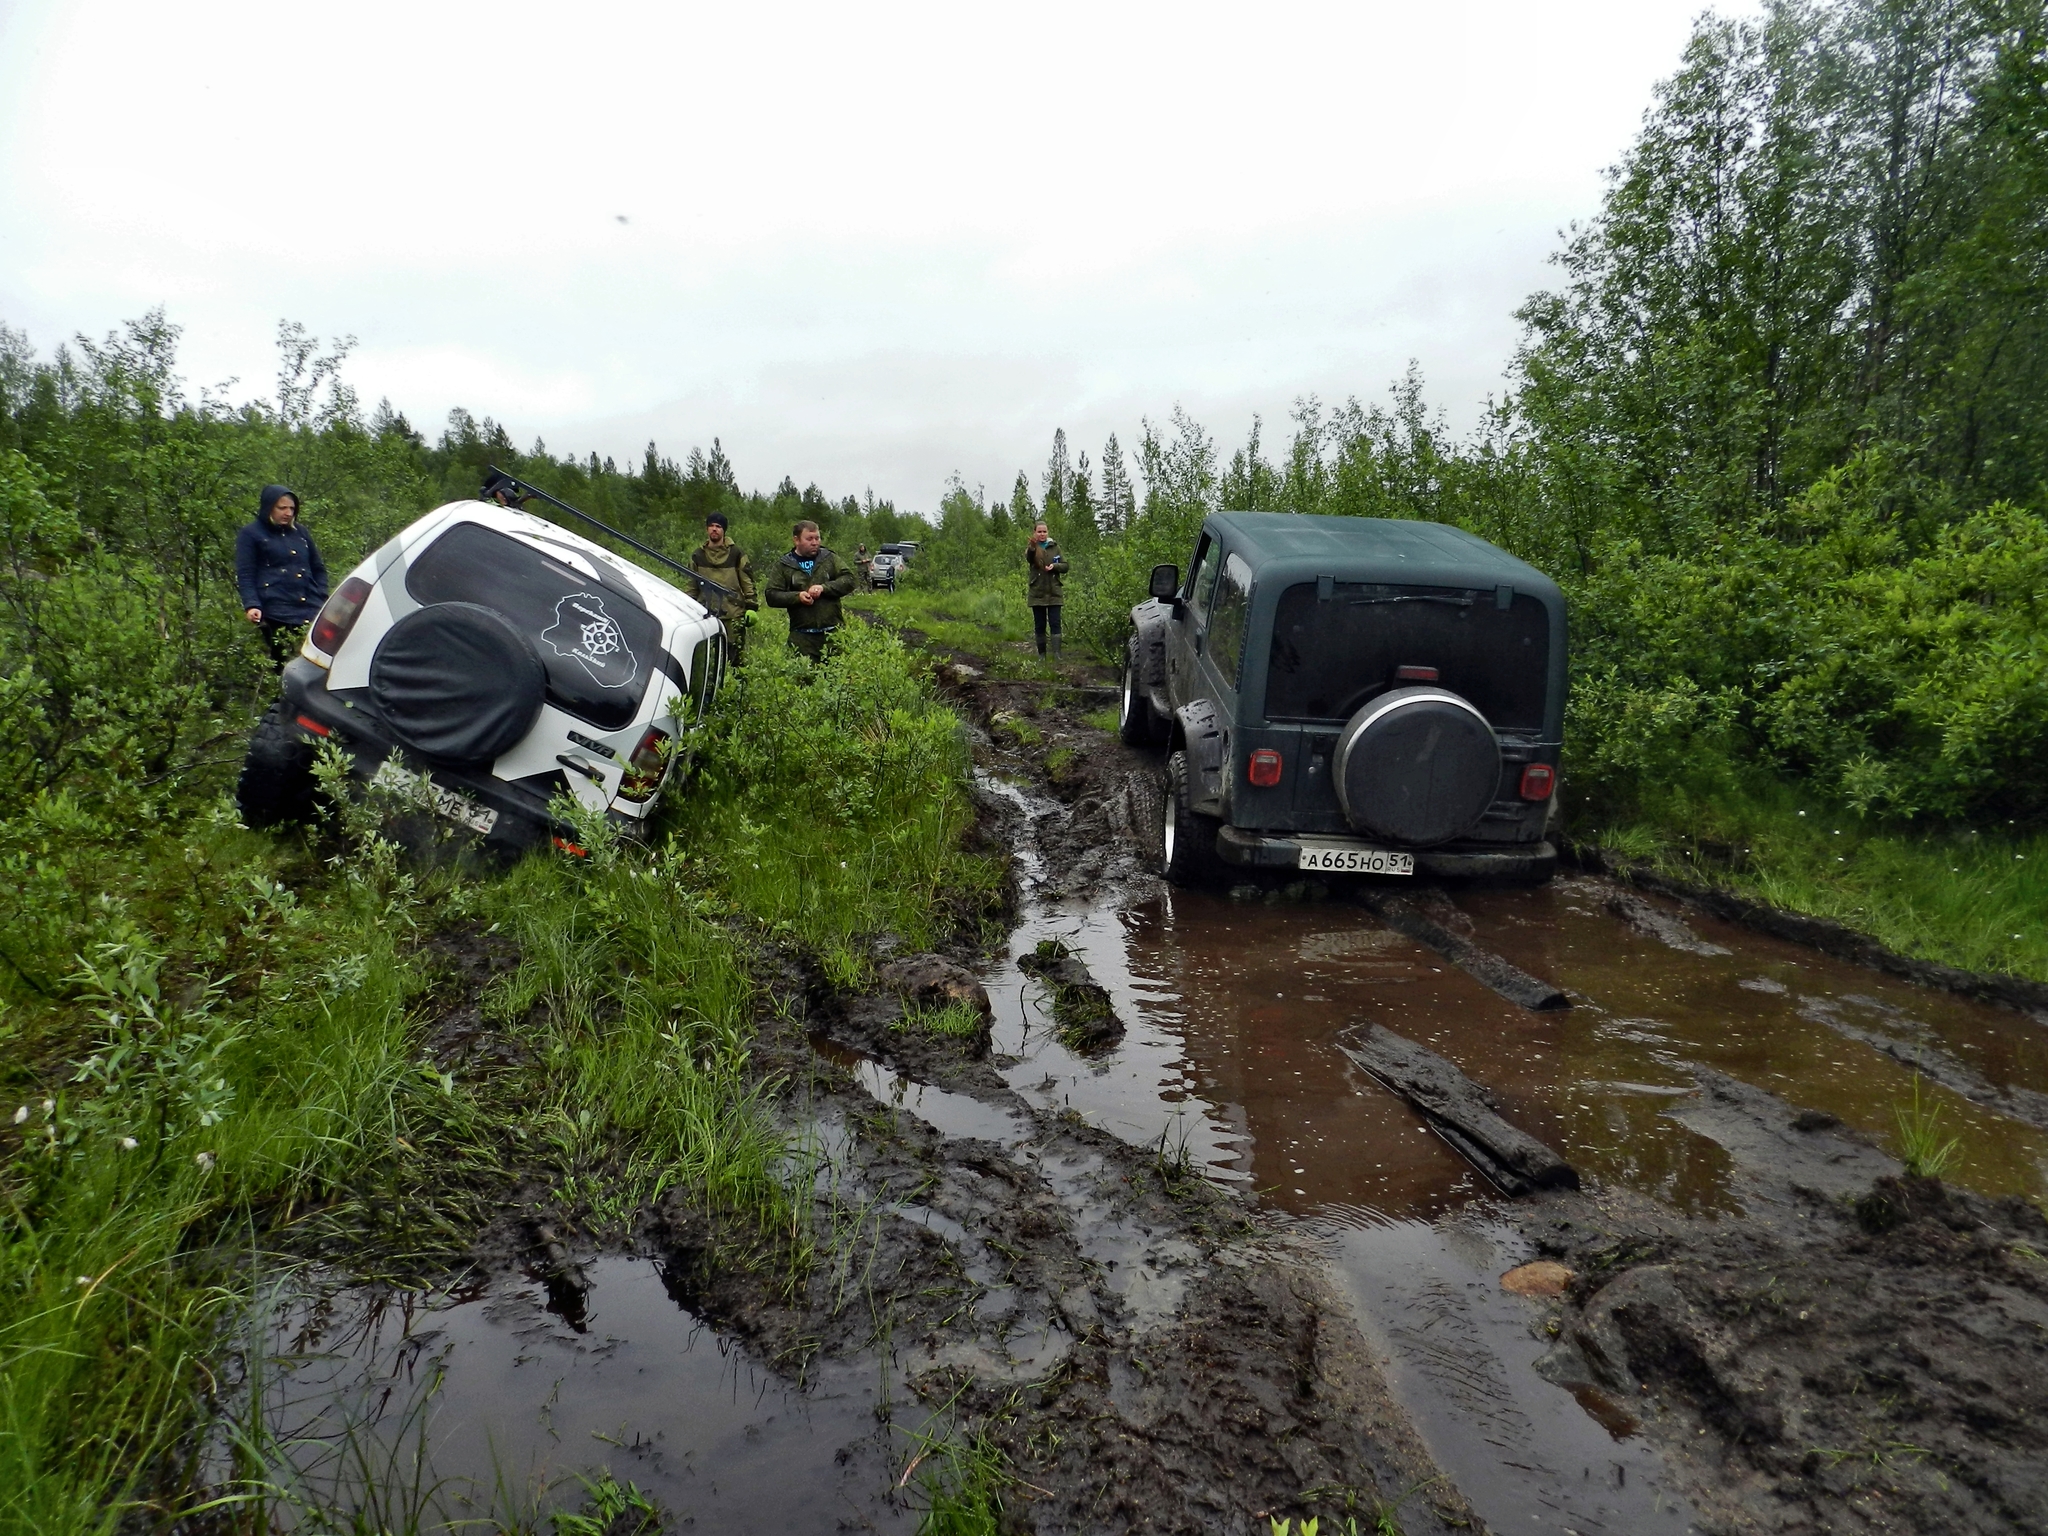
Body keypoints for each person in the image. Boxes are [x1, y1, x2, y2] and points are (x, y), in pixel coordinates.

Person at [235, 484, 328, 666]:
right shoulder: (251, 534)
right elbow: (246, 573)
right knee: (281, 664)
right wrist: (252, 605)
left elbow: (318, 568)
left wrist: (323, 594)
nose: (288, 513)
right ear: (269, 507)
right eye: (282, 508)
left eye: (292, 508)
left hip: (310, 607)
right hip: (275, 610)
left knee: (314, 662)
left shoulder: (300, 533)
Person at [763, 519, 857, 661]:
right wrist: (797, 597)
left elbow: (850, 579)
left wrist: (824, 588)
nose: (815, 542)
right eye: (809, 539)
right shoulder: (784, 565)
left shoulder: (829, 558)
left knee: (837, 679)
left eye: (817, 538)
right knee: (803, 681)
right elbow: (771, 595)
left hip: (833, 634)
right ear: (796, 540)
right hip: (801, 638)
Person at [688, 512, 758, 658]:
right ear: (707, 529)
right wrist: (687, 607)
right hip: (705, 614)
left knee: (734, 658)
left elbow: (747, 581)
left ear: (724, 530)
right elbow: (691, 585)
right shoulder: (698, 555)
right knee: (708, 658)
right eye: (711, 526)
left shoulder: (736, 554)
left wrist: (751, 606)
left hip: (733, 615)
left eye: (718, 526)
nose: (714, 529)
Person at [1025, 520, 1068, 659]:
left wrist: (1054, 567)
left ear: (1047, 532)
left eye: (1044, 531)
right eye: (1039, 531)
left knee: (1055, 623)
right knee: (1040, 625)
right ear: (1035, 533)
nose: (1042, 534)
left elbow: (1065, 566)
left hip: (1054, 591)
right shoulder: (1032, 547)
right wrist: (1032, 547)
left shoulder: (1055, 547)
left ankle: (1057, 655)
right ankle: (1041, 655)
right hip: (1037, 592)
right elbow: (1029, 558)